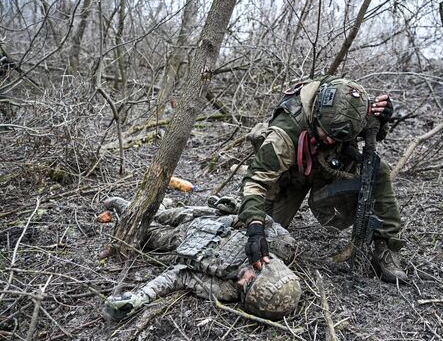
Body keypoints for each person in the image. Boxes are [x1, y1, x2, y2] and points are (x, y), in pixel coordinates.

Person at [239, 75, 407, 283]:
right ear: (316, 115)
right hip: (290, 175)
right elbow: (255, 181)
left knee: (378, 169)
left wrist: (382, 120)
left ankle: (387, 248)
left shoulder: (353, 111)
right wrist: (255, 227)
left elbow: (375, 134)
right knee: (264, 236)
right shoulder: (285, 132)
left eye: (335, 137)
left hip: (331, 164)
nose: (329, 139)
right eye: (326, 133)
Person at [102, 196, 301, 321]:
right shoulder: (282, 246)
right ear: (266, 267)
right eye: (249, 280)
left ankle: (129, 209)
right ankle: (157, 206)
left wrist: (142, 297)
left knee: (145, 231)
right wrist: (237, 208)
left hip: (179, 241)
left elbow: (181, 277)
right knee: (166, 215)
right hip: (211, 218)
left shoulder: (227, 290)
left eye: (244, 289)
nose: (240, 282)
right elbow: (265, 220)